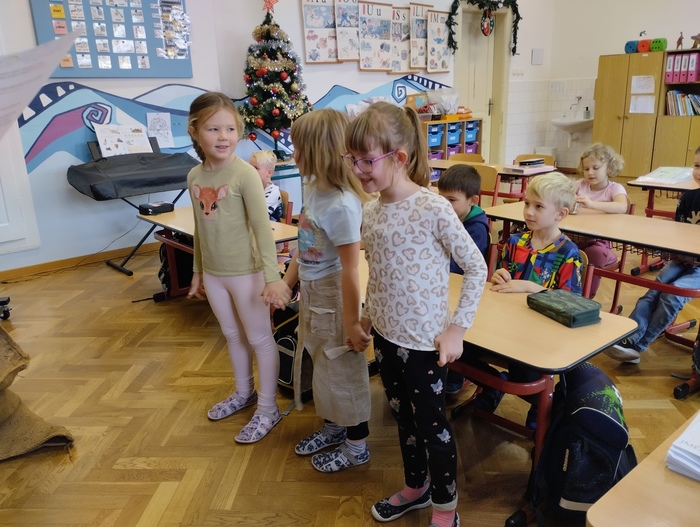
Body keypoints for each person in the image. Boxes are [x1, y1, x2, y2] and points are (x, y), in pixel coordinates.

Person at [345, 101, 487, 527]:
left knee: (432, 428)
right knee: (403, 419)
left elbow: (476, 267)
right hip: (386, 339)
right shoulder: (371, 210)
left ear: (399, 157)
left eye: (366, 160)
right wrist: (367, 316)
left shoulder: (433, 208)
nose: (358, 169)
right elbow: (379, 275)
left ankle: (445, 508)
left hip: (425, 344)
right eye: (352, 159)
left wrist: (457, 329)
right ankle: (416, 487)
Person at [185, 92, 291, 444]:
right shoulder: (194, 175)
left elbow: (263, 229)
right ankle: (244, 393)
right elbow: (200, 227)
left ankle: (268, 408)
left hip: (248, 274)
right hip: (215, 275)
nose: (223, 136)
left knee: (259, 338)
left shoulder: (245, 175)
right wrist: (198, 271)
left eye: (230, 129)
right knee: (232, 336)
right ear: (195, 131)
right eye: (213, 129)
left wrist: (272, 278)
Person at [280, 108, 373, 473]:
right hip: (313, 293)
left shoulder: (342, 205)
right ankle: (334, 428)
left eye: (298, 147)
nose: (293, 155)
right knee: (321, 366)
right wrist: (287, 284)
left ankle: (357, 445)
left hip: (335, 297)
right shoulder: (314, 189)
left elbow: (351, 269)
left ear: (318, 151)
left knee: (342, 368)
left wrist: (352, 323)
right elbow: (303, 249)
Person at [481, 172, 583, 429]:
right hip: (505, 326)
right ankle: (493, 385)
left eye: (538, 206)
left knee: (525, 376)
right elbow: (501, 281)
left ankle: (541, 405)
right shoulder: (515, 241)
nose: (528, 211)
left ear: (560, 214)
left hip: (540, 337)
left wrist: (530, 287)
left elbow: (571, 303)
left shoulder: (568, 253)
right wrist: (499, 276)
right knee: (465, 352)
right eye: (527, 203)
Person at [605, 146, 700, 364]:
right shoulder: (688, 198)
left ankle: (639, 346)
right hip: (682, 259)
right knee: (654, 290)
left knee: (672, 296)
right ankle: (629, 336)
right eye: (697, 165)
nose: (699, 171)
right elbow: (678, 231)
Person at [436, 164, 490, 395]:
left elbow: (458, 266)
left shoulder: (476, 229)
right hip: (446, 286)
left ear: (473, 201)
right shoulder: (446, 218)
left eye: (451, 200)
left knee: (456, 326)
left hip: (463, 289)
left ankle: (456, 375)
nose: (444, 205)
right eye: (441, 198)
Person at [574, 143, 629, 297]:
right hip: (575, 237)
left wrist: (591, 204)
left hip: (599, 242)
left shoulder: (614, 188)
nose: (590, 172)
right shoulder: (579, 185)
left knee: (596, 254)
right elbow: (564, 200)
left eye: (596, 168)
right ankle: (563, 290)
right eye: (586, 169)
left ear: (609, 168)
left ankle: (585, 298)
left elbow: (622, 207)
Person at [249, 149, 283, 222]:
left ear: (269, 173)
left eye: (255, 168)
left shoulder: (273, 192)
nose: (250, 171)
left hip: (270, 227)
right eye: (249, 167)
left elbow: (259, 215)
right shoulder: (253, 187)